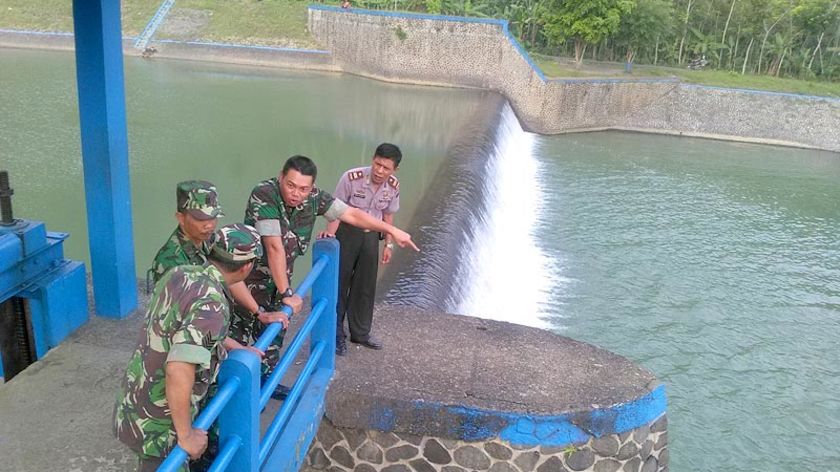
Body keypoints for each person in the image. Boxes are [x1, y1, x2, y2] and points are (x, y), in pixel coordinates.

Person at [114, 224, 282, 472]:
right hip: (161, 425)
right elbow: (179, 368)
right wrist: (186, 435)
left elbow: (187, 329)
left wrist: (235, 346)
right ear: (247, 266)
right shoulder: (213, 304)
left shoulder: (181, 274)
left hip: (134, 402)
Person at [232, 155, 418, 374]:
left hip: (281, 279)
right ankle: (239, 400)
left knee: (276, 332)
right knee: (243, 338)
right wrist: (287, 293)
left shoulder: (314, 198)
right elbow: (274, 247)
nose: (296, 193)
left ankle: (267, 383)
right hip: (248, 280)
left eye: (303, 189)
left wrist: (391, 231)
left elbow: (351, 214)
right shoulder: (265, 194)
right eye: (290, 185)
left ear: (311, 188)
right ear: (281, 177)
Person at [148, 180, 293, 372]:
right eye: (200, 218)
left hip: (207, 342)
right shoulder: (172, 264)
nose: (209, 225)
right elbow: (194, 321)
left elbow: (230, 277)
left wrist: (259, 313)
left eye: (213, 217)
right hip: (180, 356)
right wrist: (240, 350)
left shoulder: (207, 240)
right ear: (180, 218)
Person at [320, 143, 402, 355]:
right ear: (372, 159)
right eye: (377, 164)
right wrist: (330, 234)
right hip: (347, 233)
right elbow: (334, 208)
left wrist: (388, 243)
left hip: (371, 237)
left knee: (365, 287)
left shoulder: (393, 186)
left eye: (386, 168)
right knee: (340, 283)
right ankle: (336, 334)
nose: (380, 171)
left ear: (394, 170)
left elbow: (388, 215)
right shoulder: (351, 178)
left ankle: (361, 333)